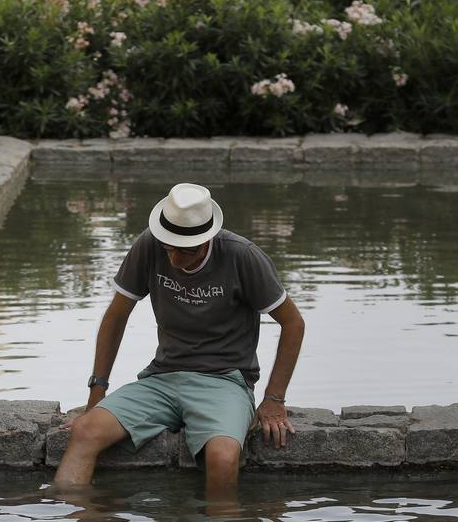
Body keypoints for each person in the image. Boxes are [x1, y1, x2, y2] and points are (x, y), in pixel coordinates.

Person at [55, 182, 305, 498]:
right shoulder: (149, 245)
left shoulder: (243, 257)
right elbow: (116, 316)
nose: (173, 260)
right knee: (84, 431)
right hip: (162, 378)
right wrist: (97, 390)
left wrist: (274, 399)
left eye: (185, 251)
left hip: (225, 381)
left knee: (224, 456)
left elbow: (293, 323)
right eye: (168, 248)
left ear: (207, 240)